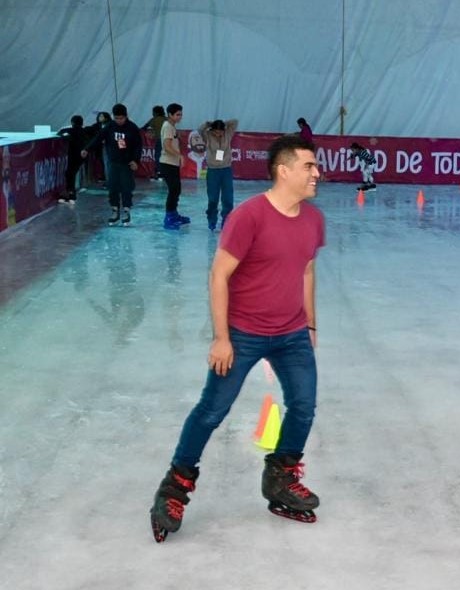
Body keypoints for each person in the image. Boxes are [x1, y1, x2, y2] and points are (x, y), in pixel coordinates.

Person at [149, 134, 325, 543]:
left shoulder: (314, 219)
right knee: (212, 411)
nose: (317, 173)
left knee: (303, 407)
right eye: (309, 166)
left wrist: (311, 325)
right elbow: (218, 276)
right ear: (284, 172)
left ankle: (280, 477)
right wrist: (221, 338)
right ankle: (174, 487)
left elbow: (307, 272)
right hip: (243, 334)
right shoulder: (249, 217)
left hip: (292, 333)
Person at [81, 103, 142, 226]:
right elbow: (98, 138)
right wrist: (86, 149)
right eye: (116, 118)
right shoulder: (109, 127)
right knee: (112, 187)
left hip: (127, 163)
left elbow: (138, 146)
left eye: (121, 118)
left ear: (126, 116)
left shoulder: (132, 128)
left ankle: (126, 211)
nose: (119, 121)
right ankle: (115, 210)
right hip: (113, 163)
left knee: (126, 187)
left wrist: (136, 161)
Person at [198, 118, 238, 231]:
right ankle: (211, 220)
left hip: (226, 170)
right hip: (213, 171)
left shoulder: (228, 134)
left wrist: (224, 124)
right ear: (212, 130)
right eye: (216, 131)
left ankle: (226, 220)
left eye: (220, 131)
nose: (218, 134)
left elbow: (235, 121)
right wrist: (208, 124)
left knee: (228, 199)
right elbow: (200, 129)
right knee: (213, 199)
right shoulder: (208, 135)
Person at [159, 103, 191, 229]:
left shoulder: (172, 127)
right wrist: (180, 156)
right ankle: (169, 218)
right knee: (173, 190)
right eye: (177, 114)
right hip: (167, 163)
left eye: (181, 114)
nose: (180, 117)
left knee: (176, 189)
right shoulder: (167, 126)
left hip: (172, 163)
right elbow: (167, 147)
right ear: (170, 114)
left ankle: (174, 213)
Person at [57, 115, 87, 203]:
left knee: (70, 174)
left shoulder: (71, 130)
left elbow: (60, 132)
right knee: (71, 173)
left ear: (72, 123)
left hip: (73, 155)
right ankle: (71, 193)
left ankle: (71, 193)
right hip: (81, 155)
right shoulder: (83, 131)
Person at [141, 105, 167, 179]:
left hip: (160, 140)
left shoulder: (154, 119)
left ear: (155, 112)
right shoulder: (167, 119)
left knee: (158, 156)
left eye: (153, 112)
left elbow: (144, 127)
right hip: (169, 140)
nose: (152, 114)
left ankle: (159, 173)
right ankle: (165, 173)